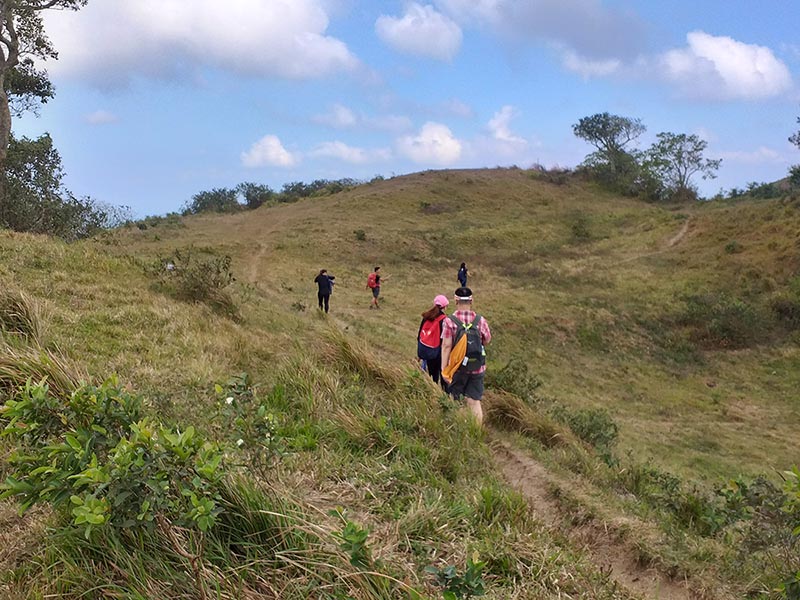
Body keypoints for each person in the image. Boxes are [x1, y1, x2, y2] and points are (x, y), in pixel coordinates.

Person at [441, 286, 492, 424]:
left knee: (456, 399)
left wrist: (444, 369)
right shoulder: (480, 320)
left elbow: (446, 346)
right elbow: (487, 340)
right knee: (474, 401)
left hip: (457, 367)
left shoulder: (449, 321)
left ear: (455, 300)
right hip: (477, 367)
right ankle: (475, 431)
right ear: (471, 301)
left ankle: (459, 428)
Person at [417, 294, 450, 389]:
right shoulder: (445, 320)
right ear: (445, 307)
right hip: (440, 353)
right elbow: (445, 339)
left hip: (429, 352)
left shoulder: (426, 316)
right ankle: (445, 398)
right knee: (444, 376)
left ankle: (433, 395)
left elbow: (419, 335)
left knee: (432, 377)